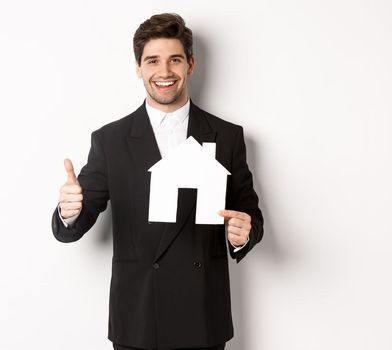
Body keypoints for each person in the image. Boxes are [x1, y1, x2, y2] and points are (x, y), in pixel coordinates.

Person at [51, 13, 263, 350]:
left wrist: (243, 234)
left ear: (190, 64)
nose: (164, 72)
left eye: (174, 59)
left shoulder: (227, 136)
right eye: (152, 61)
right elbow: (73, 224)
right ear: (138, 67)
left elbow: (250, 215)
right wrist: (68, 210)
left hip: (202, 316)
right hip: (137, 318)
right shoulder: (110, 140)